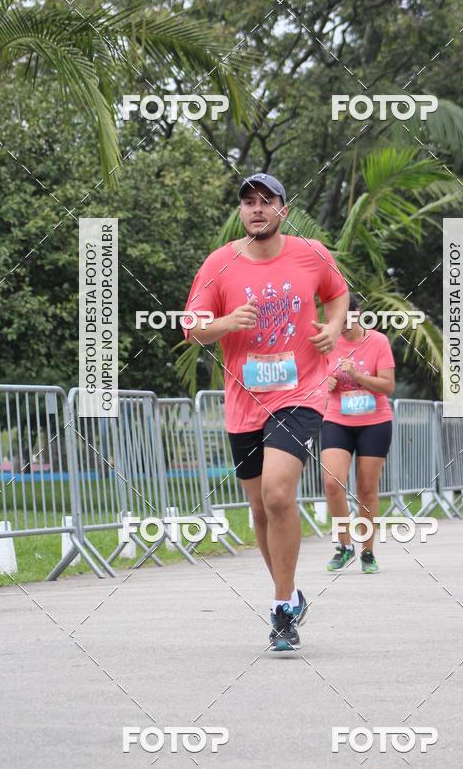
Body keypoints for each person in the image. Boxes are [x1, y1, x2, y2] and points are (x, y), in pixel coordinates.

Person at [184, 172, 349, 650]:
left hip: (300, 392)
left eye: (266, 201)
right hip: (244, 402)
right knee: (259, 507)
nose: (257, 209)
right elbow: (191, 327)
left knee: (278, 494)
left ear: (283, 210)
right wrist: (226, 323)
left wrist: (333, 327)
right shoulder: (220, 263)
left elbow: (337, 294)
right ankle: (290, 592)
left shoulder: (311, 253)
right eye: (248, 202)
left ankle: (280, 608)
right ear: (241, 212)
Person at [321, 293, 395, 574]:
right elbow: (312, 378)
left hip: (374, 422)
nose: (341, 326)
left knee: (366, 489)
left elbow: (387, 386)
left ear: (358, 312)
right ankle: (344, 546)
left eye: (345, 319)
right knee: (332, 483)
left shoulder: (378, 342)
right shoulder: (327, 342)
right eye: (334, 320)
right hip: (337, 419)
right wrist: (324, 383)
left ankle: (367, 552)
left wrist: (357, 376)